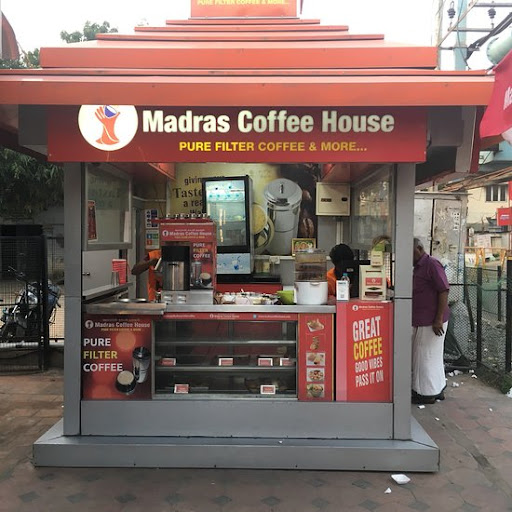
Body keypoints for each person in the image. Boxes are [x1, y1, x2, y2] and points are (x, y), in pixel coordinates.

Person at [412, 237, 450, 404]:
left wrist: (438, 319)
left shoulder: (432, 264)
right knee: (432, 356)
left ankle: (426, 394)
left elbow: (443, 290)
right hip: (424, 319)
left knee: (425, 356)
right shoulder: (418, 267)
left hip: (431, 321)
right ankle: (438, 388)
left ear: (419, 249)